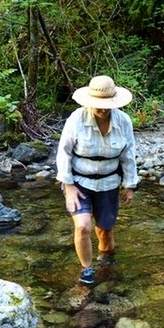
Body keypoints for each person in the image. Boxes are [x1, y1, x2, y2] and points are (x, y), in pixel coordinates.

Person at [56, 75, 138, 285]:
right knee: (83, 226)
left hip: (109, 183)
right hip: (79, 182)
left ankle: (106, 263)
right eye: (97, 105)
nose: (102, 109)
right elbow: (63, 153)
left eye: (106, 105)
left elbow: (128, 154)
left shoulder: (123, 121)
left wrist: (130, 186)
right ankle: (87, 270)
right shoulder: (76, 119)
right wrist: (69, 186)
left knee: (105, 230)